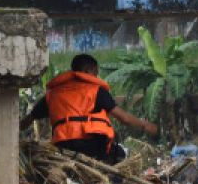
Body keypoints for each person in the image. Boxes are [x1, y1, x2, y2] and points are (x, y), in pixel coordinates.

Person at [19, 53, 159, 164]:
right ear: (87, 71)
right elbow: (124, 118)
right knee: (121, 155)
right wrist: (145, 125)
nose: (97, 76)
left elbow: (28, 120)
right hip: (90, 145)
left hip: (63, 145)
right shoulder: (95, 91)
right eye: (95, 72)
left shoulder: (53, 94)